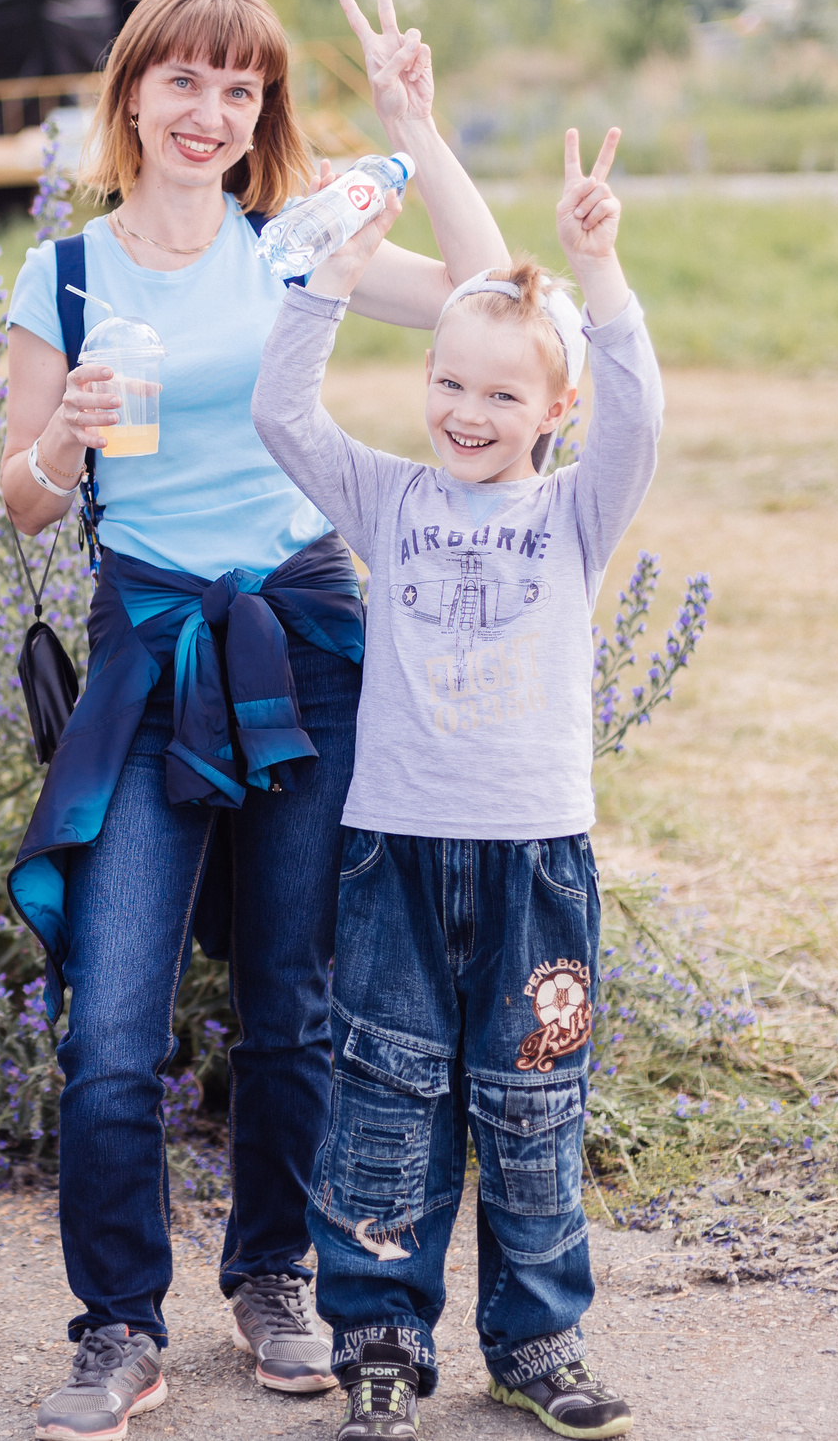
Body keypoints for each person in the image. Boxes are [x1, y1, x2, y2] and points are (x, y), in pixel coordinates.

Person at [0, 0, 510, 1441]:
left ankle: (273, 1276)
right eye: (184, 81)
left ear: (260, 113)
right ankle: (116, 1324)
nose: (208, 112)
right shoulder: (71, 276)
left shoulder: (301, 248)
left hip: (303, 634)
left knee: (293, 1003)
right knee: (112, 1020)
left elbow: (494, 296)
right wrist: (63, 439)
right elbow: (19, 505)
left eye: (239, 89)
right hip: (151, 644)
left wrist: (416, 123)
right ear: (133, 94)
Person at [247, 126, 658, 1441]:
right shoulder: (389, 501)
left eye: (500, 396)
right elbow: (280, 414)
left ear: (555, 411)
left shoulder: (574, 515)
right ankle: (378, 1337)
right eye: (449, 385)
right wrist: (328, 278)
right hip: (394, 854)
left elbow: (641, 408)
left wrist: (598, 273)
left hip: (536, 856)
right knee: (386, 1096)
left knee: (534, 1101)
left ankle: (537, 1344)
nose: (468, 415)